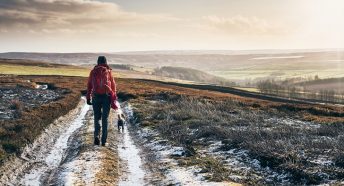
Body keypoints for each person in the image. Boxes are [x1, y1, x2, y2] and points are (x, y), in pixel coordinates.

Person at [86, 56, 117, 146]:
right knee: (105, 118)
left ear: (97, 62)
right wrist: (114, 97)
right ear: (106, 62)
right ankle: (104, 141)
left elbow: (89, 85)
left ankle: (96, 136)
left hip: (95, 96)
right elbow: (113, 85)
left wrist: (88, 97)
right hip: (106, 97)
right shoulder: (108, 71)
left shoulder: (93, 71)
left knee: (97, 117)